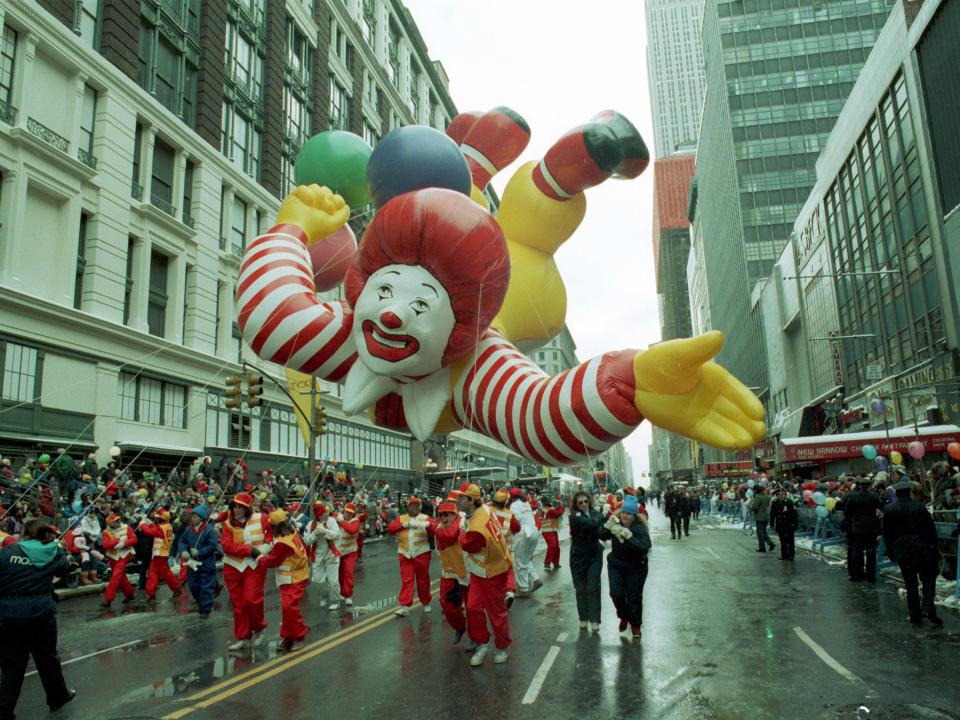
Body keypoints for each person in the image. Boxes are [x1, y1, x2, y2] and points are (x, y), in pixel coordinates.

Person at [0, 519, 76, 719]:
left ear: (24, 534)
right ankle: (58, 697)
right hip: (41, 613)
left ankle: (4, 710)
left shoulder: (8, 552)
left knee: (12, 664)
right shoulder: (53, 551)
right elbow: (64, 569)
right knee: (47, 658)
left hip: (9, 614)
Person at [457, 484, 512, 666]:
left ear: (471, 500)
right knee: (472, 608)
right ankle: (483, 643)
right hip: (480, 571)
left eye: (461, 498)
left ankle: (502, 646)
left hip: (492, 572)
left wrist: (461, 531)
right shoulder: (484, 510)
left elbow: (467, 544)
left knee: (496, 612)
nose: (457, 501)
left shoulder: (477, 527)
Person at [883, 480, 943, 627]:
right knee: (928, 579)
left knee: (911, 584)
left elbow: (887, 534)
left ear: (896, 493)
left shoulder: (890, 509)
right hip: (922, 549)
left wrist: (891, 552)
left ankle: (915, 616)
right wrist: (934, 548)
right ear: (909, 492)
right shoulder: (919, 507)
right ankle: (928, 606)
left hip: (904, 551)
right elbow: (931, 529)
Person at [220, 492, 273, 651]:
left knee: (252, 600)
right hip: (232, 566)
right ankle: (243, 637)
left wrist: (267, 545)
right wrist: (250, 550)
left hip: (254, 566)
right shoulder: (227, 524)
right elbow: (227, 545)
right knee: (238, 605)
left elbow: (273, 530)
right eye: (234, 506)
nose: (236, 510)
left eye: (240, 507)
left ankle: (259, 628)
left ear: (247, 508)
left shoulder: (262, 518)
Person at [599, 496, 651, 638]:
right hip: (616, 564)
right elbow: (602, 536)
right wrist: (606, 525)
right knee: (616, 593)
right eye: (623, 512)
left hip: (636, 566)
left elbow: (645, 547)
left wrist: (629, 538)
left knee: (634, 596)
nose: (624, 515)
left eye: (628, 513)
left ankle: (635, 625)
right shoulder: (616, 523)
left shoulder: (639, 528)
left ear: (634, 516)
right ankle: (624, 616)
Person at [258, 510, 310, 653]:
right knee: (287, 609)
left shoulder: (283, 542)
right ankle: (288, 636)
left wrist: (259, 559)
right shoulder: (291, 532)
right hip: (292, 576)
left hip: (293, 577)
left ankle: (300, 636)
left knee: (289, 608)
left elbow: (274, 560)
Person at [386, 496, 435, 616]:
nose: (414, 507)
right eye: (411, 505)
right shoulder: (402, 518)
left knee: (423, 580)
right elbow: (390, 528)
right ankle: (404, 606)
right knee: (407, 580)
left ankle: (426, 602)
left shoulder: (425, 518)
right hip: (405, 553)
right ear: (407, 507)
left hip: (422, 553)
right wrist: (405, 524)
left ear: (420, 507)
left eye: (416, 505)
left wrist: (428, 525)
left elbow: (435, 530)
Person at [568, 489, 604, 632]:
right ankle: (583, 617)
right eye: (580, 502)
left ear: (589, 501)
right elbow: (590, 524)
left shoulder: (595, 513)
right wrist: (603, 514)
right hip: (578, 557)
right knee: (581, 589)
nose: (583, 504)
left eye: (585, 501)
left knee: (593, 587)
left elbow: (602, 530)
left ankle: (595, 620)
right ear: (576, 504)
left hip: (594, 555)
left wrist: (609, 519)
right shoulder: (575, 516)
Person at [434, 500, 469, 644]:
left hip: (467, 574)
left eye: (448, 514)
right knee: (447, 605)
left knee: (473, 608)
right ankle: (460, 627)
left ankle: (477, 638)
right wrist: (459, 520)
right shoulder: (440, 529)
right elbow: (449, 535)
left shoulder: (465, 524)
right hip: (449, 573)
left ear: (455, 514)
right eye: (441, 514)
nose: (444, 518)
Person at [176, 505, 219, 619]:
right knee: (193, 585)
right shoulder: (188, 529)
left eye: (195, 516)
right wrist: (183, 550)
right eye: (192, 516)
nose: (193, 519)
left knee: (206, 587)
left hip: (206, 563)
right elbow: (181, 540)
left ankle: (205, 610)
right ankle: (203, 603)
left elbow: (213, 545)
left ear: (201, 518)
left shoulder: (209, 530)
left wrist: (200, 552)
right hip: (192, 563)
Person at [843, 476, 883, 582]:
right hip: (871, 528)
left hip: (858, 527)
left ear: (860, 486)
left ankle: (856, 574)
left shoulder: (853, 496)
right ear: (869, 486)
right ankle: (871, 575)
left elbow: (847, 511)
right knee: (871, 552)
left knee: (857, 551)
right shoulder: (873, 496)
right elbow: (880, 507)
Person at [303, 502, 341, 611]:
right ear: (318, 515)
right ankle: (325, 594)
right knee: (317, 580)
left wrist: (325, 532)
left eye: (326, 512)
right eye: (323, 513)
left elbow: (337, 535)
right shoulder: (311, 525)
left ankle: (335, 601)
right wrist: (315, 534)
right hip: (317, 557)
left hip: (331, 555)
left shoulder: (332, 521)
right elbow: (306, 541)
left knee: (333, 581)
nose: (326, 514)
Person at [139, 509, 182, 602]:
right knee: (155, 573)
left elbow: (150, 532)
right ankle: (152, 593)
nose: (156, 519)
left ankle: (174, 589)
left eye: (158, 518)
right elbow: (155, 528)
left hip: (160, 554)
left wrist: (142, 524)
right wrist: (149, 523)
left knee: (158, 574)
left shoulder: (162, 528)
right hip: (161, 554)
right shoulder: (166, 525)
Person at [490, 489, 520, 607]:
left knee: (494, 572)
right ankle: (509, 591)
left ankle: (496, 595)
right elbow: (517, 528)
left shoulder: (488, 511)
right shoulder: (510, 514)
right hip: (506, 548)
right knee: (508, 570)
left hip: (491, 547)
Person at [508, 489, 542, 596]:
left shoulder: (514, 505)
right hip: (534, 531)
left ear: (512, 497)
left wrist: (512, 531)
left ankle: (523, 589)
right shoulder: (526, 503)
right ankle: (535, 579)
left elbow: (514, 521)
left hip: (523, 533)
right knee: (526, 559)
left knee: (519, 562)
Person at [100, 514, 137, 608]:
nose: (118, 522)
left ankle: (108, 599)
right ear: (111, 524)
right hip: (112, 556)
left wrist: (124, 543)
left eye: (118, 520)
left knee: (116, 575)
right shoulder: (105, 532)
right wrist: (118, 540)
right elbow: (105, 545)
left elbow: (134, 539)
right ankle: (130, 594)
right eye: (115, 521)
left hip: (124, 554)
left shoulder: (126, 527)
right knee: (121, 576)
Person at [336, 503, 362, 608]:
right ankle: (340, 593)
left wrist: (340, 521)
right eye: (347, 512)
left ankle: (348, 595)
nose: (348, 515)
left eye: (350, 513)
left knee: (348, 573)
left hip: (350, 552)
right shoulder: (338, 518)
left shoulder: (355, 521)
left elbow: (352, 530)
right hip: (338, 552)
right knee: (338, 574)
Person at [769, 488, 798, 561]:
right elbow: (772, 514)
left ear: (785, 495)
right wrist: (772, 524)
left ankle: (791, 555)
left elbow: (794, 514)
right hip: (780, 524)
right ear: (777, 495)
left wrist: (795, 524)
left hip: (789, 524)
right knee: (783, 541)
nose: (781, 496)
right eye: (779, 495)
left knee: (791, 541)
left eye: (782, 494)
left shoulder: (789, 502)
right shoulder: (775, 503)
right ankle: (784, 555)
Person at [540, 497, 564, 571]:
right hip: (547, 531)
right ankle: (547, 563)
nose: (549, 502)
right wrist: (561, 507)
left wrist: (560, 506)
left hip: (552, 529)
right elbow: (557, 513)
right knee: (552, 546)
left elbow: (556, 511)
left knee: (556, 547)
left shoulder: (548, 508)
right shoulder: (545, 509)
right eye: (547, 501)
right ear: (544, 502)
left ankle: (556, 563)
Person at [750, 487, 775, 553]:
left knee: (760, 533)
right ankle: (770, 543)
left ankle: (762, 547)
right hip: (766, 515)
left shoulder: (758, 497)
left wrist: (752, 508)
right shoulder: (767, 496)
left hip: (759, 516)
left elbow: (755, 507)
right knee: (764, 531)